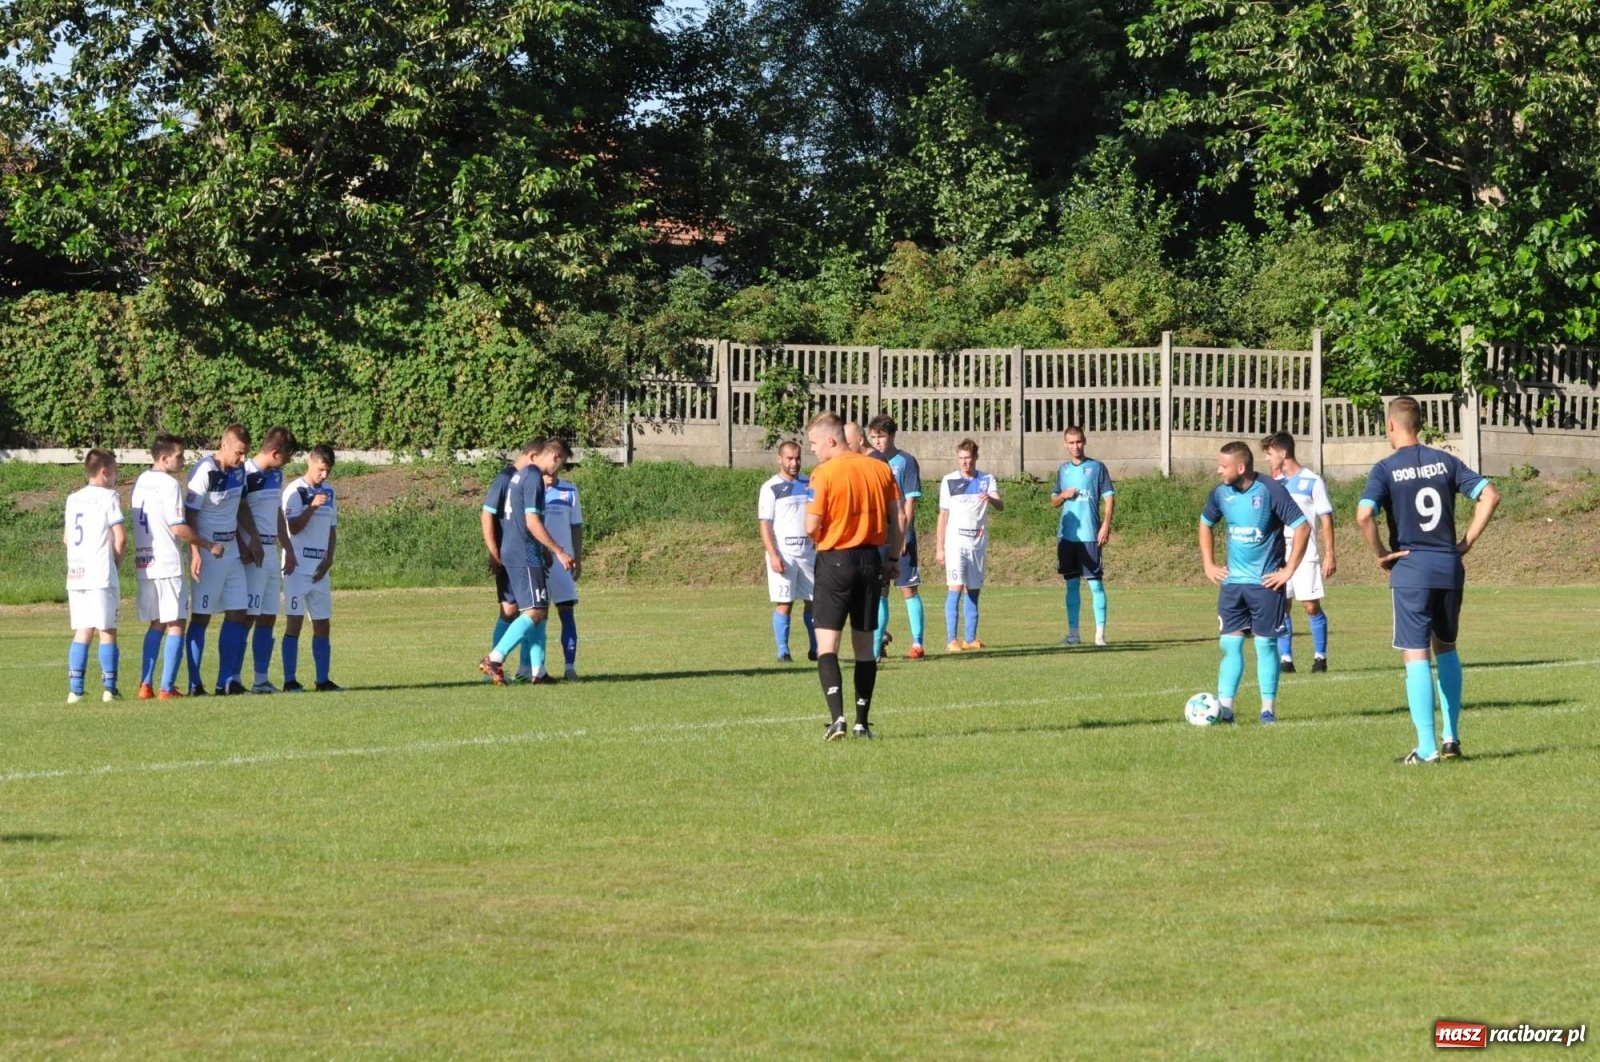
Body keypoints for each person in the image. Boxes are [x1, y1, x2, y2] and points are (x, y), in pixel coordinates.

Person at [1356, 397, 1500, 764]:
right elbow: (1490, 495)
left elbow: (1363, 515)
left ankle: (1426, 748)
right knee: (1446, 647)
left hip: (1411, 568)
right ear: (1418, 425)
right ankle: (1451, 738)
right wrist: (1465, 542)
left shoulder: (1385, 468)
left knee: (1415, 653)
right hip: (1448, 567)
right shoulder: (1446, 462)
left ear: (1391, 426)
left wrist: (1381, 554)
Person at [804, 411, 902, 740]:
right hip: (871, 561)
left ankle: (838, 719)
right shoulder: (879, 468)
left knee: (827, 645)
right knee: (864, 647)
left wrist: (819, 534)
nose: (813, 451)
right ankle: (862, 721)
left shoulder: (824, 473)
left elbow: (811, 525)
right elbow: (898, 517)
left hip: (835, 561)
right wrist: (892, 557)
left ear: (831, 441)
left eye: (814, 444)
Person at [1198, 441, 1310, 724]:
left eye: (1223, 466)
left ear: (1241, 467)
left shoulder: (1270, 490)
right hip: (1233, 584)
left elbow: (1302, 527)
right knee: (1231, 646)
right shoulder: (1221, 493)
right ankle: (1225, 711)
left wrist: (1288, 571)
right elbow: (1204, 524)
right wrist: (1209, 564)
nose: (1218, 470)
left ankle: (1267, 710)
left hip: (1266, 585)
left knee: (1265, 646)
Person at [478, 438, 576, 686]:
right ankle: (494, 658)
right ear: (555, 456)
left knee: (537, 611)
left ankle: (535, 671)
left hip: (522, 549)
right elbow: (532, 522)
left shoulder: (518, 476)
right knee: (534, 611)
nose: (558, 470)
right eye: (562, 464)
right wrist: (559, 551)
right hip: (524, 552)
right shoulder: (532, 476)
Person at [131, 434, 211, 700]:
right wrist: (208, 545)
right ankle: (167, 687)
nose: (183, 459)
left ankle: (145, 685)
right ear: (164, 458)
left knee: (156, 623)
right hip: (166, 562)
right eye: (179, 455)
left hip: (145, 563)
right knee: (176, 623)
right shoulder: (169, 484)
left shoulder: (141, 481)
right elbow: (178, 527)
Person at [184, 424, 258, 696]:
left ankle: (227, 682)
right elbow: (190, 514)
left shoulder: (240, 470)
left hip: (232, 553)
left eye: (245, 454)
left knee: (239, 613)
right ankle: (195, 684)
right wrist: (195, 552)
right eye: (239, 453)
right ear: (224, 445)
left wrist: (253, 539)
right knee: (201, 618)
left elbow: (240, 507)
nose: (242, 459)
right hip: (209, 555)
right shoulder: (204, 471)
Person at [1261, 432, 1336, 673]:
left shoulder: (1312, 481)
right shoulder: (1274, 484)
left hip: (1306, 553)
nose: (1267, 459)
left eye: (1270, 454)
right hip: (1279, 555)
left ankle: (1320, 657)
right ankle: (1286, 659)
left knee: (1310, 606)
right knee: (1282, 605)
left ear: (1283, 453)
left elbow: (1326, 519)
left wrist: (1330, 554)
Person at [64, 448, 126, 703]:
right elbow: (120, 538)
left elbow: (67, 538)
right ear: (104, 472)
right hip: (100, 571)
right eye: (115, 471)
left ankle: (75, 690)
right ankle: (110, 689)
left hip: (76, 572)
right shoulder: (108, 496)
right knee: (107, 629)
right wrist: (116, 566)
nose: (116, 476)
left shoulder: (73, 498)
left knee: (83, 629)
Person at [280, 444, 343, 692]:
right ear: (310, 462)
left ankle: (322, 680)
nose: (324, 475)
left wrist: (329, 558)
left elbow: (332, 528)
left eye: (327, 471)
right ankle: (289, 681)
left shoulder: (330, 491)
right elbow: (292, 528)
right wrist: (312, 506)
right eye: (320, 469)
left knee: (322, 625)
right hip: (296, 569)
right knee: (294, 624)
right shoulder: (295, 490)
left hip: (320, 571)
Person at [242, 426, 298, 693]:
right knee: (248, 617)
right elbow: (236, 512)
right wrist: (246, 543)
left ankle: (260, 679)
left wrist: (287, 546)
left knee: (268, 617)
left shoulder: (277, 475)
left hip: (271, 555)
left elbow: (276, 511)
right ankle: (233, 678)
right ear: (275, 453)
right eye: (286, 457)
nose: (286, 463)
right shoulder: (245, 474)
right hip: (253, 556)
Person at [866, 415, 926, 660]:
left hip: (901, 536)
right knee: (880, 591)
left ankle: (917, 644)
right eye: (874, 437)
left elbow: (910, 501)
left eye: (881, 436)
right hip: (878, 536)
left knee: (908, 589)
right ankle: (876, 645)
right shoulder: (869, 462)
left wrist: (902, 536)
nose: (877, 441)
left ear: (892, 436)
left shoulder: (906, 462)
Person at [1051, 426, 1115, 647]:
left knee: (1095, 585)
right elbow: (1053, 501)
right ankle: (1073, 635)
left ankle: (1100, 636)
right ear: (1065, 444)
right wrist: (1063, 495)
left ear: (1084, 441)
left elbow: (1109, 498)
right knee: (1071, 586)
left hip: (1090, 536)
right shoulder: (1063, 470)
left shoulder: (1097, 468)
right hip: (1067, 537)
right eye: (1071, 443)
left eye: (1078, 442)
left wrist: (1105, 524)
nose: (1075, 446)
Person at [936, 438, 1002, 652]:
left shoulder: (986, 479)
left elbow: (1000, 504)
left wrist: (991, 499)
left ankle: (970, 638)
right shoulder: (949, 481)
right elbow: (943, 516)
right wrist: (940, 547)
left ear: (975, 458)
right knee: (955, 588)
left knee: (974, 590)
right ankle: (951, 640)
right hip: (956, 543)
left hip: (978, 543)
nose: (964, 462)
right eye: (961, 459)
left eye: (968, 458)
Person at [758, 441, 817, 663]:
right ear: (779, 459)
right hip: (784, 553)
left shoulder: (810, 482)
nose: (794, 463)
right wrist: (774, 555)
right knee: (785, 603)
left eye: (798, 458)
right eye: (790, 458)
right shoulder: (770, 487)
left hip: (808, 552)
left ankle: (815, 649)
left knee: (814, 601)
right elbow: (765, 524)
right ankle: (783, 650)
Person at [481, 450, 537, 682]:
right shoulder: (506, 478)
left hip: (521, 555)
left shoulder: (522, 479)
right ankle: (492, 668)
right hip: (508, 556)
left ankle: (526, 669)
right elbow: (487, 514)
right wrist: (494, 552)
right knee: (512, 610)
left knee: (523, 609)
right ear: (533, 455)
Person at [541, 447, 585, 681]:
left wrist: (577, 557)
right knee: (536, 617)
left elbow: (576, 527)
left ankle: (570, 668)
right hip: (537, 562)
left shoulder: (570, 490)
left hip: (563, 563)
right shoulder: (531, 490)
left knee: (566, 613)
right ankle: (536, 668)